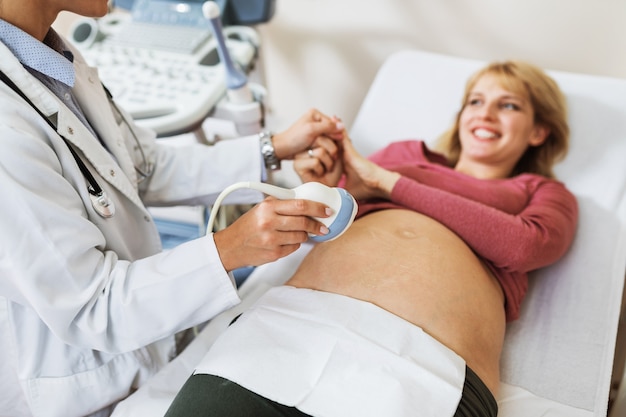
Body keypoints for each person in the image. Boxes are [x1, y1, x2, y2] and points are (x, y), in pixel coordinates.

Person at [163, 59, 579, 417]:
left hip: (425, 368)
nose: (485, 114)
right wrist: (322, 191)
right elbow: (324, 227)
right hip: (292, 328)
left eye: (508, 105)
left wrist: (388, 183)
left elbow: (524, 246)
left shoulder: (541, 192)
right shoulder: (405, 155)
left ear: (539, 131)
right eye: (475, 101)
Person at [0, 2, 345, 417]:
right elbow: (93, 306)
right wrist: (228, 249)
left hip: (147, 348)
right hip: (87, 390)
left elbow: (143, 166)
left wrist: (272, 148)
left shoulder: (46, 57)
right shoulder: (7, 131)